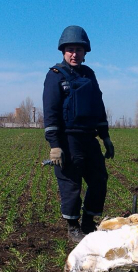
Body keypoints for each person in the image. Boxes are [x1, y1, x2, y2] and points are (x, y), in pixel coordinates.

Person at [43, 25, 115, 243]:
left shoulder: (89, 75)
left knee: (99, 180)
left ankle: (88, 221)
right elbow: (51, 112)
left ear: (85, 52)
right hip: (68, 140)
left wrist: (105, 137)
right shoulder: (55, 76)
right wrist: (55, 145)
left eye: (78, 50)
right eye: (70, 49)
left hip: (88, 138)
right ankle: (73, 227)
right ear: (63, 51)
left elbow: (98, 107)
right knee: (71, 185)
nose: (74, 54)